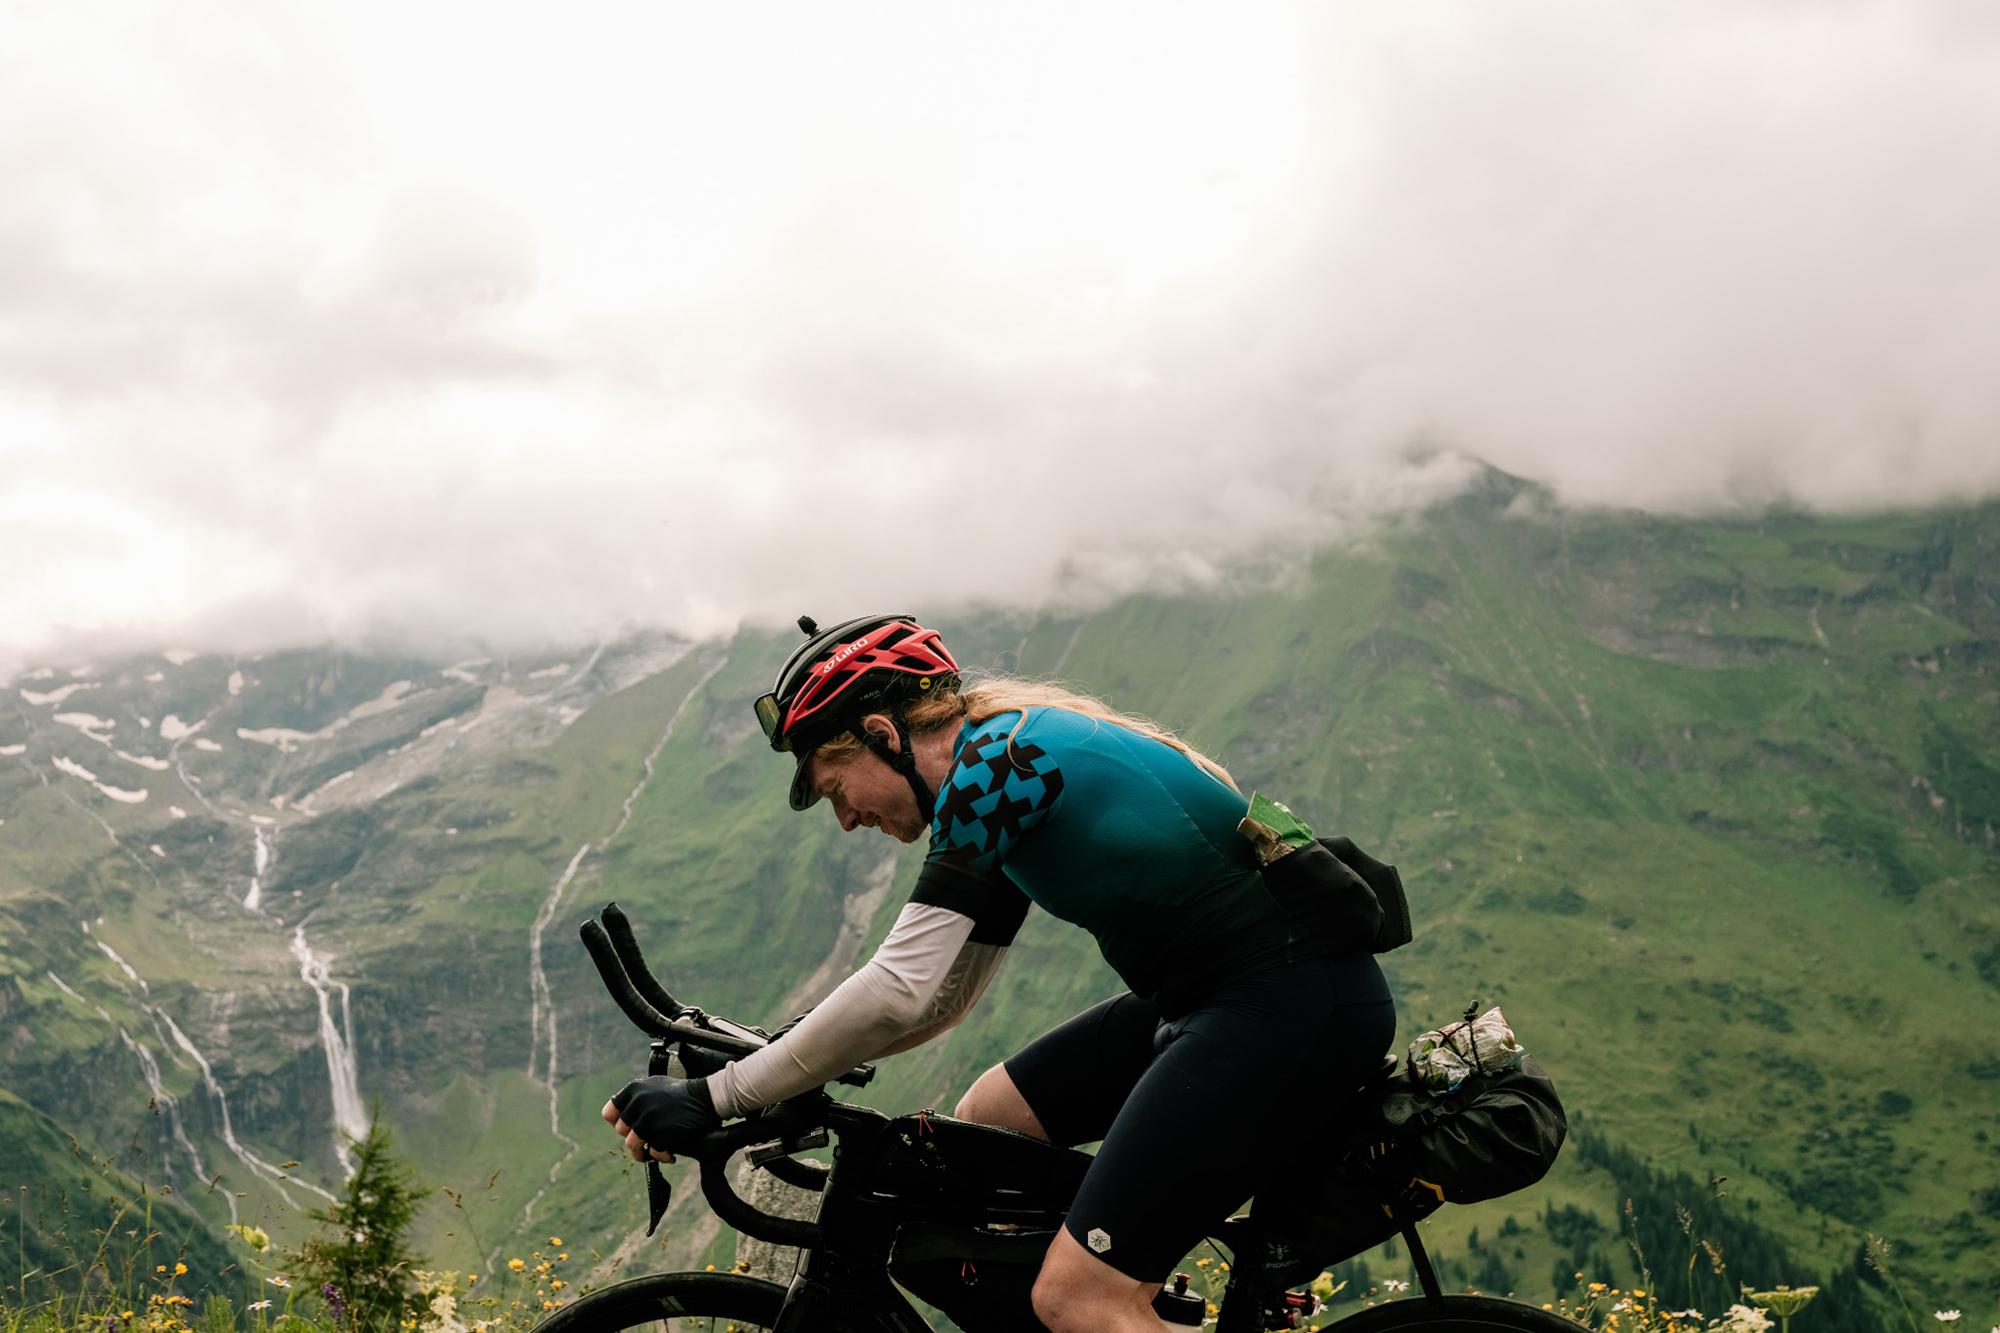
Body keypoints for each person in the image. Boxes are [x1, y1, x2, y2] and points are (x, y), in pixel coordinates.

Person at [604, 613, 1396, 1333]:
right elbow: (942, 998)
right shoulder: (999, 765)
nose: (846, 818)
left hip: (1288, 1000)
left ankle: (1106, 1303)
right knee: (987, 1120)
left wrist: (721, 1094)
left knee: (1076, 1297)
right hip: (1216, 998)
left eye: (836, 788)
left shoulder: (1001, 767)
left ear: (882, 733)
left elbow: (899, 989)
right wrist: (772, 1064)